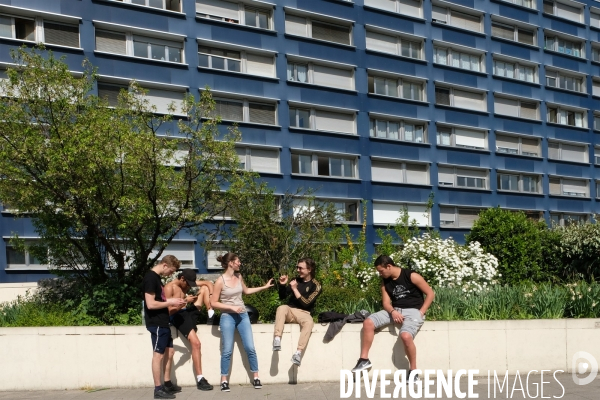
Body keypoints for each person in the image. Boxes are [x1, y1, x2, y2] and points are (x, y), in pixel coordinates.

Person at [350, 255, 435, 382]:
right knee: (368, 322)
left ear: (389, 266)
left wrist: (421, 312)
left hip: (413, 311)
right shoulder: (385, 282)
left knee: (405, 336)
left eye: (381, 271)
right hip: (394, 310)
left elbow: (430, 293)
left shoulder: (411, 275)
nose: (380, 274)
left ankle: (413, 371)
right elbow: (386, 303)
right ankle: (364, 360)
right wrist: (393, 312)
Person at [210, 253, 274, 392]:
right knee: (227, 350)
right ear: (231, 263)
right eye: (238, 261)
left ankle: (256, 377)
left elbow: (246, 291)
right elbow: (213, 303)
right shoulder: (220, 281)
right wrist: (231, 307)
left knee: (250, 347)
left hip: (243, 316)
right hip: (227, 316)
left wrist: (264, 287)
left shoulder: (239, 277)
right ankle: (224, 380)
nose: (240, 263)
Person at [142, 255, 187, 400]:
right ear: (165, 265)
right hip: (156, 323)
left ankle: (167, 384)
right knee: (158, 355)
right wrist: (170, 302)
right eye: (172, 271)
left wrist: (174, 302)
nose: (171, 274)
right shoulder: (150, 278)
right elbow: (150, 304)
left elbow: (159, 300)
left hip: (163, 321)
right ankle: (158, 389)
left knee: (170, 352)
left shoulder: (156, 278)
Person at [164, 269, 214, 391]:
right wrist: (186, 301)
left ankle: (211, 313)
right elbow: (168, 311)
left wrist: (211, 297)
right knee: (196, 343)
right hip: (177, 315)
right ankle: (200, 379)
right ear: (182, 278)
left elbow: (208, 283)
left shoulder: (186, 282)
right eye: (187, 283)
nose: (188, 286)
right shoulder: (169, 287)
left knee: (204, 289)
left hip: (187, 312)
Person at [272, 257, 322, 366]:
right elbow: (282, 296)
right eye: (297, 267)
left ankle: (298, 353)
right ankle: (277, 339)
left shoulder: (316, 285)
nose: (298, 270)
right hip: (290, 311)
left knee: (309, 323)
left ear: (309, 269)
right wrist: (282, 285)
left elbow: (306, 303)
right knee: (281, 308)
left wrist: (295, 289)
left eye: (300, 268)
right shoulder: (295, 280)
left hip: (304, 313)